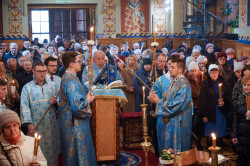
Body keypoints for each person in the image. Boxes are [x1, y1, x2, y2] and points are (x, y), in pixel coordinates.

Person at [58, 51, 97, 166]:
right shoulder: (71, 82)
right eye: (78, 61)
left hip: (67, 122)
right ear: (71, 64)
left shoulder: (67, 77)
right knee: (77, 156)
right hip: (74, 125)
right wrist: (88, 100)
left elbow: (72, 100)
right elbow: (77, 108)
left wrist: (84, 97)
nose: (81, 63)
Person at [148, 58, 192, 153]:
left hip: (179, 125)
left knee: (177, 154)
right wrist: (157, 98)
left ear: (180, 69)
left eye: (173, 67)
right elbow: (168, 98)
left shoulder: (184, 84)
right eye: (169, 66)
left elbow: (178, 105)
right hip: (171, 124)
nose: (169, 69)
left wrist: (158, 102)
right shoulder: (175, 82)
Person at [20, 62, 60, 165]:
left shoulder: (52, 85)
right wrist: (29, 124)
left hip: (51, 125)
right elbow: (24, 107)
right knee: (37, 150)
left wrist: (56, 102)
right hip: (36, 125)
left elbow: (60, 102)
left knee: (52, 150)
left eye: (44, 71)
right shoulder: (27, 88)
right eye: (40, 71)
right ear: (34, 71)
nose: (42, 74)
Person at [199, 64, 229, 147]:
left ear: (219, 73)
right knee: (210, 131)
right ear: (209, 73)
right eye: (212, 72)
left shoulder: (223, 82)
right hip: (210, 112)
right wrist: (204, 114)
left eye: (216, 72)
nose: (214, 74)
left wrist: (224, 102)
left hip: (221, 112)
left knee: (220, 131)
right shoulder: (206, 83)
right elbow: (202, 99)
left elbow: (227, 96)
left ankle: (219, 148)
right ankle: (211, 148)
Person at [232, 75, 250, 166]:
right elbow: (235, 119)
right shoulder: (239, 99)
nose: (246, 87)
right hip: (241, 135)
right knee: (242, 160)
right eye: (244, 84)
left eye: (249, 85)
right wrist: (234, 135)